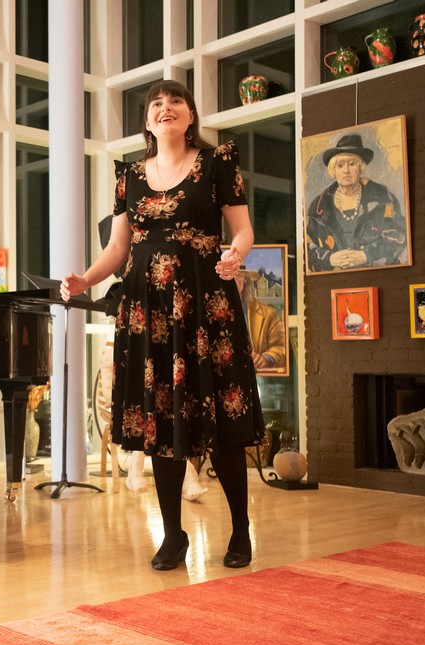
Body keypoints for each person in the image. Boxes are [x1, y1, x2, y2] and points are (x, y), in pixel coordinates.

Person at [61, 80, 265, 570]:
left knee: (222, 416)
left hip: (205, 303)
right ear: (147, 122)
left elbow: (242, 228)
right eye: (156, 104)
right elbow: (118, 247)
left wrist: (235, 253)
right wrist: (85, 279)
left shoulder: (216, 163)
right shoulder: (129, 176)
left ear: (190, 115)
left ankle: (240, 530)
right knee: (161, 418)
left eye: (176, 101)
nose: (166, 108)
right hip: (148, 310)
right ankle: (174, 536)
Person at [305, 133, 407, 272]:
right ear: (333, 170)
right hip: (334, 279)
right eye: (340, 165)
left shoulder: (382, 197)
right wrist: (329, 259)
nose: (346, 171)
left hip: (379, 276)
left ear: (361, 168)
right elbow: (306, 250)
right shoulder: (319, 205)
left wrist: (366, 255)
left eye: (352, 164)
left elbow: (400, 235)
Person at [234, 268, 286, 370]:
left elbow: (281, 347)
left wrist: (267, 358)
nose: (232, 281)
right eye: (226, 276)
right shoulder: (208, 315)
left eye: (237, 275)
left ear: (245, 279)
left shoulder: (268, 314)